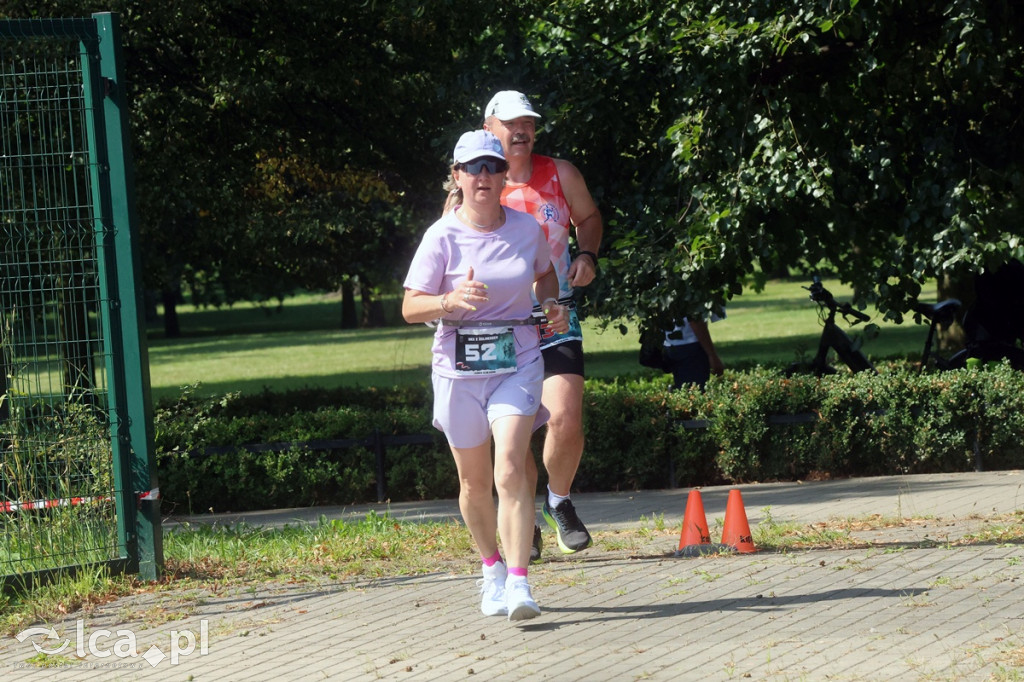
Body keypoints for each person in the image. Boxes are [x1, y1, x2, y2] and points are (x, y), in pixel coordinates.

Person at [402, 129, 569, 621]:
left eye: (491, 168)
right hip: (457, 368)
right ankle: (492, 569)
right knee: (475, 483)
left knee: (511, 468)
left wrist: (552, 305)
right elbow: (410, 306)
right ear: (456, 176)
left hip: (516, 358)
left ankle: (520, 583)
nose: (482, 176)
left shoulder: (525, 229)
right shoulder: (441, 236)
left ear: (502, 177)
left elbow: (545, 275)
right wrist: (448, 302)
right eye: (472, 168)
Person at [482, 90, 603, 559]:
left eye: (528, 123)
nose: (521, 131)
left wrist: (588, 254)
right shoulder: (476, 184)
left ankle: (559, 500)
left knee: (566, 418)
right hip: (500, 326)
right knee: (514, 431)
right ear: (489, 127)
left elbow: (588, 218)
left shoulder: (560, 173)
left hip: (554, 314)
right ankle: (523, 520)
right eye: (511, 123)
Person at [663, 315, 725, 390]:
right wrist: (712, 355)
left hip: (671, 344)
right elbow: (695, 319)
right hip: (690, 346)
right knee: (694, 392)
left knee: (684, 390)